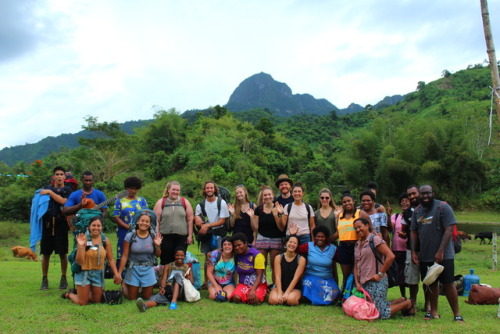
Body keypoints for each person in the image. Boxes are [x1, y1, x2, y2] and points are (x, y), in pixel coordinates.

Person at [410, 185, 464, 322]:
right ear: (419, 195)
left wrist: (441, 251)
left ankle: (457, 314)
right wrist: (413, 252)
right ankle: (433, 312)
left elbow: (449, 229)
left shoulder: (443, 207)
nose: (425, 196)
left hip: (444, 254)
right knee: (430, 283)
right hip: (425, 254)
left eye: (428, 193)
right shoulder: (417, 211)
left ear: (433, 193)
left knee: (448, 283)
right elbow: (414, 232)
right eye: (422, 194)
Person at [353, 217, 413, 319]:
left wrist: (380, 274)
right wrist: (357, 282)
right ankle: (400, 300)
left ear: (367, 226)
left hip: (377, 281)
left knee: (379, 313)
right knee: (369, 307)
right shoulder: (358, 243)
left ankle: (407, 303)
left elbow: (390, 256)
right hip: (363, 282)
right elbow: (356, 264)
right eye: (355, 228)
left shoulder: (374, 239)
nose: (358, 230)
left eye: (360, 227)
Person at [61, 216, 120, 305]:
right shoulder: (83, 238)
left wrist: (116, 274)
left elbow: (110, 259)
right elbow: (79, 262)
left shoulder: (105, 240)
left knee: (96, 301)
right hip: (83, 273)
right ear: (89, 226)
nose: (96, 228)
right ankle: (69, 294)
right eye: (93, 225)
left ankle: (84, 292)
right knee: (82, 302)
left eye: (98, 226)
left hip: (97, 273)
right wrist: (80, 246)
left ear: (102, 227)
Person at [39, 166, 73, 290]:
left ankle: (63, 278)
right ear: (53, 176)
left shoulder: (68, 190)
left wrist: (50, 193)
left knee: (62, 253)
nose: (59, 176)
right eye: (57, 174)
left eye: (61, 174)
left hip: (61, 225)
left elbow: (64, 202)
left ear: (65, 176)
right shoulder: (46, 189)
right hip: (47, 225)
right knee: (46, 254)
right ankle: (44, 279)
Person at [117, 210, 162, 300]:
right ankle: (125, 284)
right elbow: (125, 255)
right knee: (132, 297)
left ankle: (141, 286)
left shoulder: (153, 236)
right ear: (137, 221)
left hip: (148, 268)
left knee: (147, 297)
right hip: (133, 268)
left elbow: (158, 255)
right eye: (142, 221)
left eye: (147, 221)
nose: (144, 223)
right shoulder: (130, 236)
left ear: (150, 224)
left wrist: (157, 245)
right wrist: (119, 273)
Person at [194, 181, 230, 286]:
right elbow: (197, 216)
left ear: (214, 189)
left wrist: (208, 225)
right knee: (207, 259)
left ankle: (220, 281)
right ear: (204, 190)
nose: (209, 190)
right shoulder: (200, 205)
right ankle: (206, 282)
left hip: (219, 233)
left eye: (211, 188)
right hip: (206, 235)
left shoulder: (221, 202)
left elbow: (222, 220)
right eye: (207, 188)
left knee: (219, 258)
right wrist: (197, 219)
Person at [294, 225, 340, 305]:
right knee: (308, 286)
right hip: (311, 276)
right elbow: (294, 249)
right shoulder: (308, 246)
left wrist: (336, 281)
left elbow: (335, 266)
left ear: (326, 237)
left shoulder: (333, 248)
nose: (320, 239)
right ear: (314, 237)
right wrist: (293, 235)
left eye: (322, 237)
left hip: (326, 277)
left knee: (334, 293)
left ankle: (318, 298)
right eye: (317, 236)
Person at [153, 180, 194, 266]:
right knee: (166, 260)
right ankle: (165, 278)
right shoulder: (161, 202)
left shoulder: (184, 202)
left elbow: (190, 219)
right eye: (173, 189)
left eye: (177, 190)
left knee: (179, 259)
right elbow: (156, 219)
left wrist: (190, 236)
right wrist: (157, 233)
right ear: (168, 190)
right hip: (165, 236)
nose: (175, 192)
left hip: (181, 236)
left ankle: (179, 278)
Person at [336, 190, 371, 290]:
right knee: (346, 275)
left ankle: (359, 295)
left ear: (353, 201)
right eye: (344, 202)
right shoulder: (340, 216)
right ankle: (344, 295)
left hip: (357, 246)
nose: (347, 203)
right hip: (343, 247)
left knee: (358, 273)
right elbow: (338, 232)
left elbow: (370, 228)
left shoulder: (360, 213)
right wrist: (327, 240)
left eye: (349, 201)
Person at [251, 186, 285, 285]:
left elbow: (281, 227)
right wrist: (252, 217)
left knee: (275, 264)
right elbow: (256, 227)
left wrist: (277, 213)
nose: (267, 197)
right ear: (262, 197)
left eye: (269, 194)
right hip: (262, 238)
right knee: (262, 264)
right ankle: (263, 284)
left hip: (276, 238)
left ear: (273, 196)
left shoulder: (278, 207)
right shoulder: (258, 209)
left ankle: (275, 285)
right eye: (265, 195)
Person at [113, 176, 148, 270]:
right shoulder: (119, 200)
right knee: (123, 253)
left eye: (135, 189)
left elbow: (146, 215)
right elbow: (116, 217)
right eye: (131, 188)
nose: (133, 191)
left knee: (138, 252)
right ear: (126, 188)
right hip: (123, 232)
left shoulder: (142, 201)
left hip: (140, 232)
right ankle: (122, 279)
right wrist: (128, 227)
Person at [230, 233, 267, 304]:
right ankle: (245, 297)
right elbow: (225, 249)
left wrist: (253, 290)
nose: (237, 248)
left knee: (255, 300)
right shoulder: (237, 254)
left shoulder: (257, 255)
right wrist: (212, 253)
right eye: (235, 246)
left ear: (246, 243)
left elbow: (260, 275)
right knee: (236, 298)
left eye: (239, 245)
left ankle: (259, 294)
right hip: (243, 284)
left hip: (257, 284)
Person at [268, 235, 306, 306]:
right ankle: (282, 297)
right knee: (273, 300)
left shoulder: (301, 259)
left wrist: (287, 293)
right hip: (280, 287)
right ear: (286, 243)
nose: (292, 244)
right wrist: (279, 293)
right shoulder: (278, 258)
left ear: (297, 245)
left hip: (295, 288)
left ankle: (287, 297)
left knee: (291, 300)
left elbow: (296, 278)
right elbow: (277, 277)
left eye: (295, 243)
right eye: (290, 242)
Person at [403, 185, 422, 316]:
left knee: (429, 278)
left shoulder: (430, 208)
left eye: (414, 194)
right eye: (410, 195)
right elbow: (407, 230)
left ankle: (429, 305)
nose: (412, 197)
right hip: (412, 249)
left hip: (428, 249)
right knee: (412, 279)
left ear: (419, 193)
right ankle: (412, 304)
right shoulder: (407, 212)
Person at [314, 188, 339, 285]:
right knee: (320, 267)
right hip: (319, 244)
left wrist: (330, 239)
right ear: (319, 199)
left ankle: (335, 290)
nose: (324, 199)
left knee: (333, 267)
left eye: (327, 197)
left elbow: (339, 230)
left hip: (332, 243)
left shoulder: (336, 212)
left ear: (330, 199)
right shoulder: (316, 213)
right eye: (322, 197)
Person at [390, 192, 411, 299]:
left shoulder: (413, 215)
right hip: (397, 250)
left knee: (410, 274)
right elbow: (391, 227)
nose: (404, 203)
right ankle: (403, 296)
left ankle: (412, 298)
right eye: (402, 201)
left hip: (409, 249)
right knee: (400, 275)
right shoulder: (396, 216)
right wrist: (388, 215)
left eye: (406, 201)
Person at [206, 236, 236, 301]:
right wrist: (216, 285)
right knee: (215, 296)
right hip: (214, 282)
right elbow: (209, 272)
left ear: (233, 246)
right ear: (222, 246)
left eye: (229, 244)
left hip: (229, 283)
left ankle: (223, 291)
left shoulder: (236, 256)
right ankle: (212, 292)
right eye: (224, 245)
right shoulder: (215, 254)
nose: (227, 246)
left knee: (228, 296)